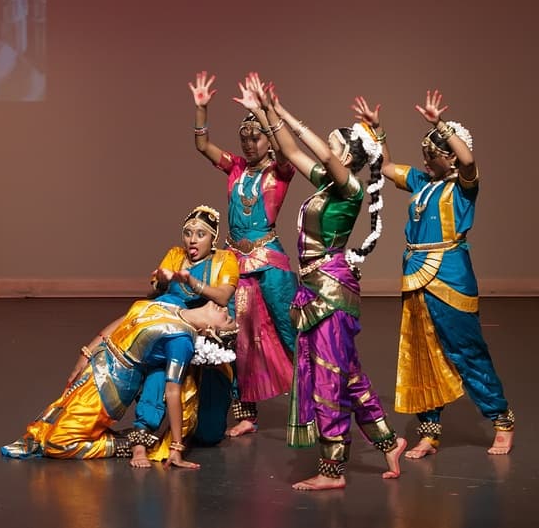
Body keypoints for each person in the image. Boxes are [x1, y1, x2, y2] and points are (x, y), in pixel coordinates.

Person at [236, 73, 405, 490]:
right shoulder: (329, 184)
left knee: (328, 375)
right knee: (345, 371)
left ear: (346, 157)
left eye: (335, 146)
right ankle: (387, 442)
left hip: (330, 289)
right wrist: (266, 109)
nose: (327, 150)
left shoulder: (349, 188)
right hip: (315, 289)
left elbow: (309, 144)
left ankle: (333, 469)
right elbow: (291, 150)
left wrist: (285, 112)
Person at [354, 91, 515, 458]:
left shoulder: (464, 188)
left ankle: (501, 420)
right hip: (415, 275)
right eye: (424, 152)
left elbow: (470, 160)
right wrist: (378, 132)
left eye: (433, 154)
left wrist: (440, 124)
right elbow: (390, 165)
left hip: (450, 277)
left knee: (467, 352)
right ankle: (430, 432)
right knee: (422, 354)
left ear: (451, 160)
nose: (425, 159)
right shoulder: (422, 183)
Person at [188, 71, 298, 437]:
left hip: (269, 262)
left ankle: (311, 401)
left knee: (287, 331)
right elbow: (203, 147)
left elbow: (286, 150)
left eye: (257, 138)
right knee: (235, 335)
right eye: (244, 138)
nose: (250, 144)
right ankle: (245, 412)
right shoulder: (235, 167)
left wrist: (265, 114)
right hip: (235, 261)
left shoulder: (281, 170)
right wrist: (202, 110)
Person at [0, 300, 238, 469]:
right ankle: (126, 439)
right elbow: (123, 320)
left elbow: (172, 390)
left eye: (226, 319)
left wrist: (176, 446)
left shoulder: (182, 341)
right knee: (50, 425)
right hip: (97, 363)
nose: (225, 309)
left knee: (59, 443)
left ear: (210, 331)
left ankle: (124, 443)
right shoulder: (171, 305)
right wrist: (86, 353)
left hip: (114, 384)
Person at [129, 205, 239, 468]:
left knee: (209, 434)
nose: (192, 239)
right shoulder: (175, 255)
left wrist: (193, 283)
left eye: (201, 234)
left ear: (213, 239)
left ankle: (185, 430)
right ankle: (140, 443)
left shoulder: (224, 259)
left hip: (207, 341)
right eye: (188, 232)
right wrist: (164, 280)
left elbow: (224, 297)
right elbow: (157, 286)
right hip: (173, 334)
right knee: (158, 377)